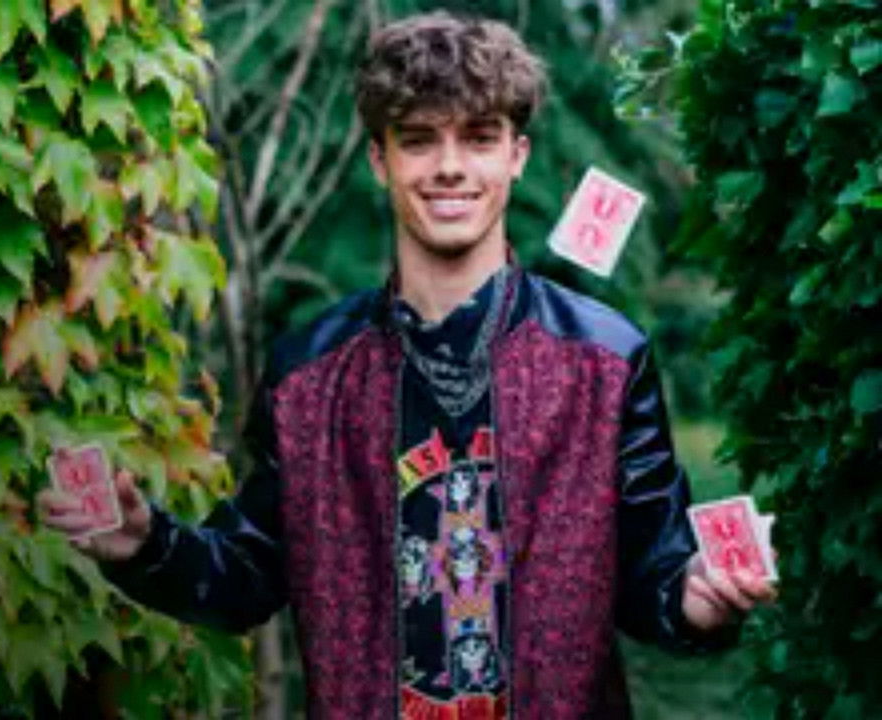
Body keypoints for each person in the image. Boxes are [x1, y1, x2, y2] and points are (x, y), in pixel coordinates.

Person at [39, 10, 775, 719]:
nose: (450, 167)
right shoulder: (306, 377)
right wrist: (147, 545)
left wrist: (698, 601)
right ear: (379, 159)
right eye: (419, 140)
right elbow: (247, 576)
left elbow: (654, 576)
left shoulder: (607, 362)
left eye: (478, 138)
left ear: (516, 156)